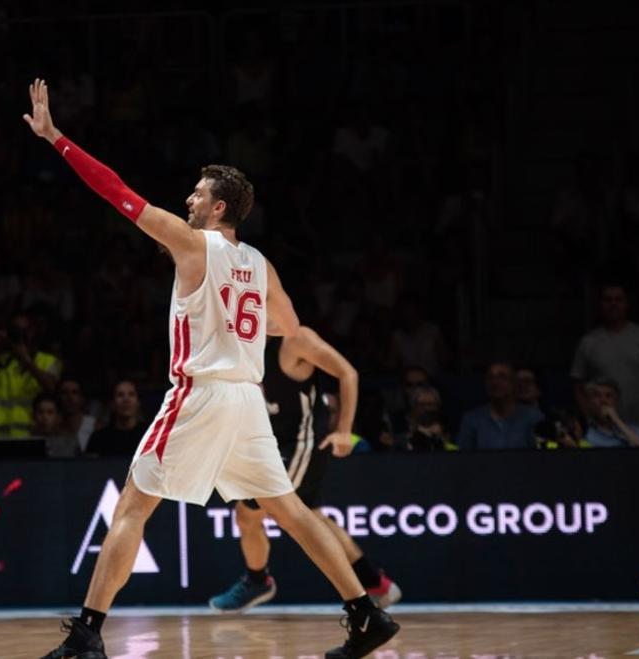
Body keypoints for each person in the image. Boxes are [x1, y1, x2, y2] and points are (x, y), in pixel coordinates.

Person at [23, 79, 398, 659]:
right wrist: (236, 316)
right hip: (247, 398)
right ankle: (365, 614)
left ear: (218, 207)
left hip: (200, 395)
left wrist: (56, 139)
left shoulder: (192, 243)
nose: (189, 200)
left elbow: (115, 191)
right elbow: (289, 325)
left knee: (133, 506)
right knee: (292, 512)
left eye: (198, 194)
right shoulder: (258, 261)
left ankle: (87, 636)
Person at [209, 327, 402, 614]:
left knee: (249, 512)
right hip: (272, 445)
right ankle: (374, 582)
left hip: (302, 445)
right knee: (308, 516)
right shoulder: (239, 345)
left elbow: (347, 373)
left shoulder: (295, 339)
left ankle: (258, 580)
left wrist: (344, 431)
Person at [570, 283, 639, 426]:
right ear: (600, 305)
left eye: (618, 299)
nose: (613, 304)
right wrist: (589, 417)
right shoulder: (588, 342)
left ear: (627, 304)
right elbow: (578, 386)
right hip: (603, 427)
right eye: (608, 300)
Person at [456, 361, 543, 450]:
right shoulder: (471, 419)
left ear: (513, 383)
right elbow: (462, 458)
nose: (495, 382)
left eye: (502, 377)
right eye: (490, 377)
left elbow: (542, 456)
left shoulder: (532, 417)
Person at [85, 380, 147, 457]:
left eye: (131, 394)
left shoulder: (150, 436)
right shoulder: (99, 438)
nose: (126, 399)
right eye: (120, 395)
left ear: (138, 402)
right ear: (112, 403)